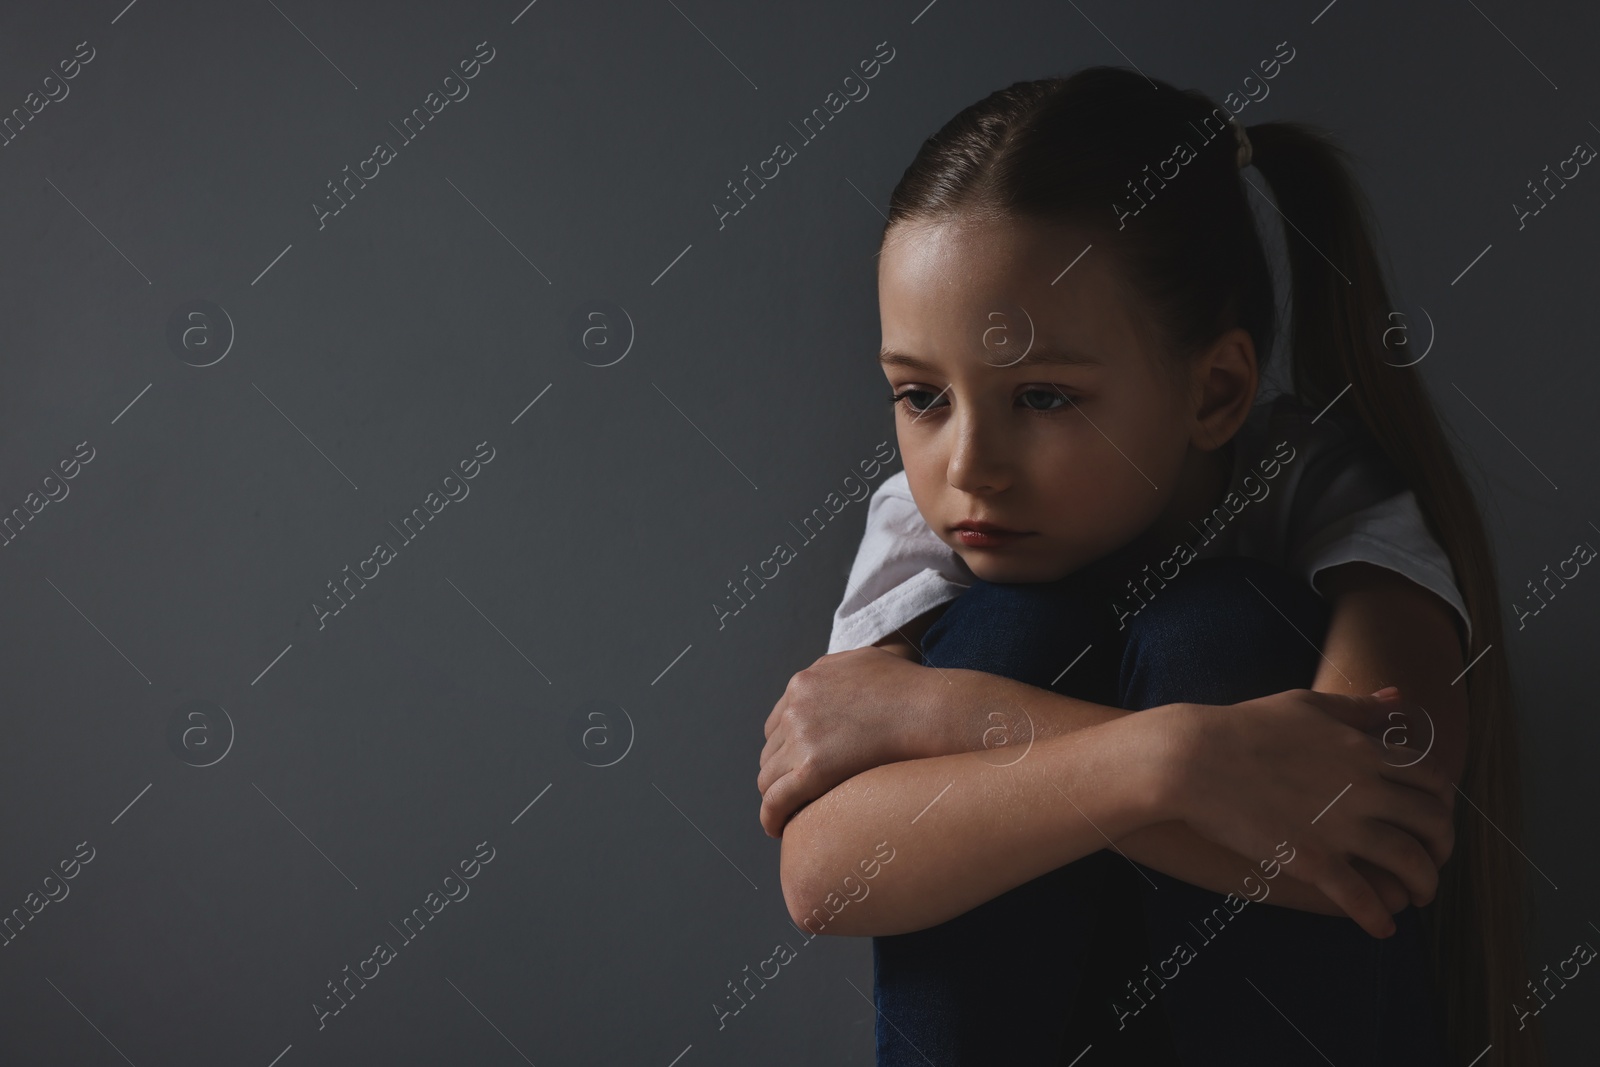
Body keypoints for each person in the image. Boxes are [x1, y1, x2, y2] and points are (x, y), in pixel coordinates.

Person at [757, 67, 1539, 1065]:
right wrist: (1166, 763)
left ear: (1214, 390)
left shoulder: (1314, 490)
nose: (967, 466)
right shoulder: (925, 519)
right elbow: (825, 876)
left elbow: (1370, 834)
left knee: (1213, 628)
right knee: (1006, 632)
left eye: (1041, 397)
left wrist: (935, 714)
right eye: (919, 395)